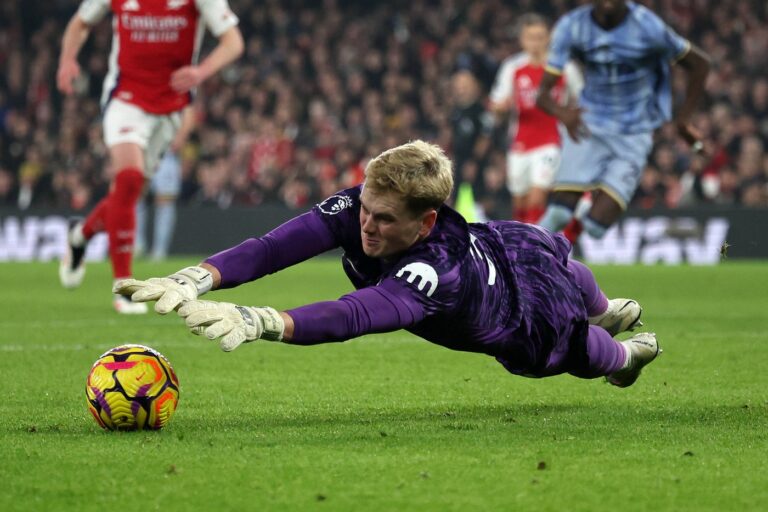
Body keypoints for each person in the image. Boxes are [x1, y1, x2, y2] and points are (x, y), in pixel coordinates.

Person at [115, 140, 658, 388]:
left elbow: (358, 313)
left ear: (425, 222)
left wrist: (261, 321)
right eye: (366, 210)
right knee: (551, 253)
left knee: (580, 350)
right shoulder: (363, 204)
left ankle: (627, 351)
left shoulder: (435, 270)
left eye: (384, 219)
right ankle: (607, 310)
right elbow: (274, 247)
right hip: (499, 244)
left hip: (520, 316)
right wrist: (198, 276)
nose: (366, 226)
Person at [57, 0, 244, 313]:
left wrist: (200, 72)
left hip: (170, 108)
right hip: (125, 98)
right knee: (128, 179)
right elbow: (80, 22)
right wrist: (67, 61)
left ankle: (81, 235)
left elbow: (233, 41)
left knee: (128, 194)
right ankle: (124, 288)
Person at [536, 0, 710, 242]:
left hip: (633, 134)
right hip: (588, 127)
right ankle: (521, 256)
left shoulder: (647, 27)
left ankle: (567, 236)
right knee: (558, 214)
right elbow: (542, 96)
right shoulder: (572, 26)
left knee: (596, 228)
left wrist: (683, 122)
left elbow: (700, 64)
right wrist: (563, 113)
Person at [489, 13, 582, 225]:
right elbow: (496, 104)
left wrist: (572, 114)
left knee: (536, 197)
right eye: (530, 37)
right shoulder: (512, 67)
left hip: (551, 141)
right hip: (520, 142)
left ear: (548, 38)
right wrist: (501, 108)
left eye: (540, 37)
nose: (535, 43)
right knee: (520, 203)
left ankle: (534, 242)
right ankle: (522, 240)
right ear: (522, 40)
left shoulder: (564, 67)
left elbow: (582, 98)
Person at [135, 105, 196, 261]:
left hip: (166, 154)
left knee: (165, 202)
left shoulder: (177, 91)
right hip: (144, 150)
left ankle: (160, 252)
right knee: (135, 197)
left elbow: (189, 112)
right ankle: (137, 245)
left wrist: (181, 136)